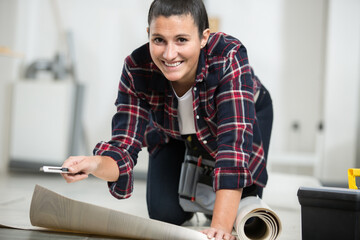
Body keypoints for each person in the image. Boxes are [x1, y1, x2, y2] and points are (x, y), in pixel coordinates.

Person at [61, 0, 273, 239]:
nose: (169, 54)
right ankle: (200, 201)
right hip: (173, 131)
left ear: (204, 38)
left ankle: (216, 204)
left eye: (182, 40)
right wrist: (95, 164)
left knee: (246, 212)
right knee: (164, 212)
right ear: (148, 34)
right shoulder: (136, 69)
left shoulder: (228, 56)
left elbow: (233, 147)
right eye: (159, 39)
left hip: (246, 116)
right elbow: (124, 147)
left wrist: (220, 229)